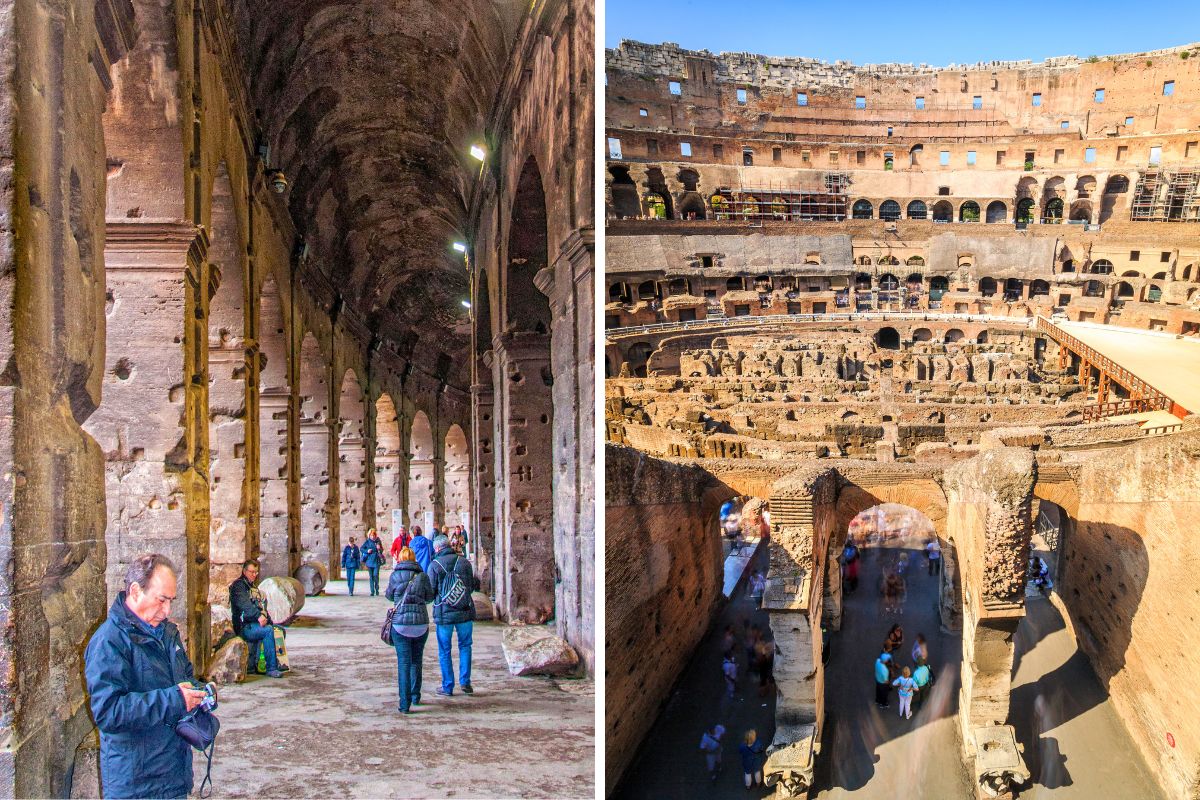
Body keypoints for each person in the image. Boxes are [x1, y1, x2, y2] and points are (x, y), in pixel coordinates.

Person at [84, 554, 208, 799]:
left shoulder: (167, 633)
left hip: (172, 775)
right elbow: (109, 712)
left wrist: (198, 692)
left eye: (171, 601)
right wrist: (175, 699)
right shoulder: (109, 641)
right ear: (135, 591)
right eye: (161, 600)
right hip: (136, 785)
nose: (167, 610)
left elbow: (184, 677)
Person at [385, 546, 435, 713]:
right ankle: (415, 695)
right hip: (420, 623)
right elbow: (430, 597)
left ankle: (404, 704)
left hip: (400, 625)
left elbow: (389, 596)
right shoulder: (422, 576)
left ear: (400, 558)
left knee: (404, 663)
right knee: (416, 661)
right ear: (414, 559)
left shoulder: (395, 575)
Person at [428, 533, 478, 696]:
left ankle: (448, 685)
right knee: (465, 646)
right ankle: (465, 682)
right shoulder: (464, 563)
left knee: (445, 649)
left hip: (444, 613)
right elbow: (471, 586)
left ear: (437, 548)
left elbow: (430, 592)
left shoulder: (434, 565)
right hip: (464, 611)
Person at [229, 558, 284, 678]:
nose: (254, 575)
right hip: (245, 626)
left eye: (256, 572)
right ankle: (271, 668)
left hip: (255, 624)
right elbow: (245, 605)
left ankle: (264, 662)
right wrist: (258, 616)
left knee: (278, 630)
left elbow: (260, 606)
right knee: (268, 631)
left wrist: (268, 620)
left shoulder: (252, 587)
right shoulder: (239, 586)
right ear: (244, 571)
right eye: (251, 572)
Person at [361, 529, 384, 596]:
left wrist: (379, 548)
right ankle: (372, 591)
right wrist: (367, 551)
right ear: (369, 535)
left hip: (376, 560)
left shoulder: (378, 541)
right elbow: (362, 548)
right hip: (369, 561)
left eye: (374, 535)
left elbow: (382, 550)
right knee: (371, 576)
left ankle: (377, 588)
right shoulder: (367, 542)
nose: (373, 536)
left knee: (375, 575)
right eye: (371, 535)